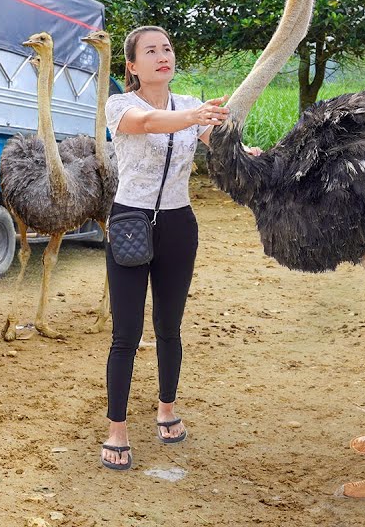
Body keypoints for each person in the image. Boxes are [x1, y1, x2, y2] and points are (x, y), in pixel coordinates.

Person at [100, 25, 259, 470]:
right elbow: (148, 124)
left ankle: (166, 408)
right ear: (132, 66)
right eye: (150, 51)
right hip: (131, 220)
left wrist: (249, 152)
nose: (162, 56)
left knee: (170, 327)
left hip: (178, 223)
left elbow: (222, 146)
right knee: (125, 334)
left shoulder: (189, 105)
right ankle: (117, 428)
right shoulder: (120, 105)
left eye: (167, 49)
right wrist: (196, 118)